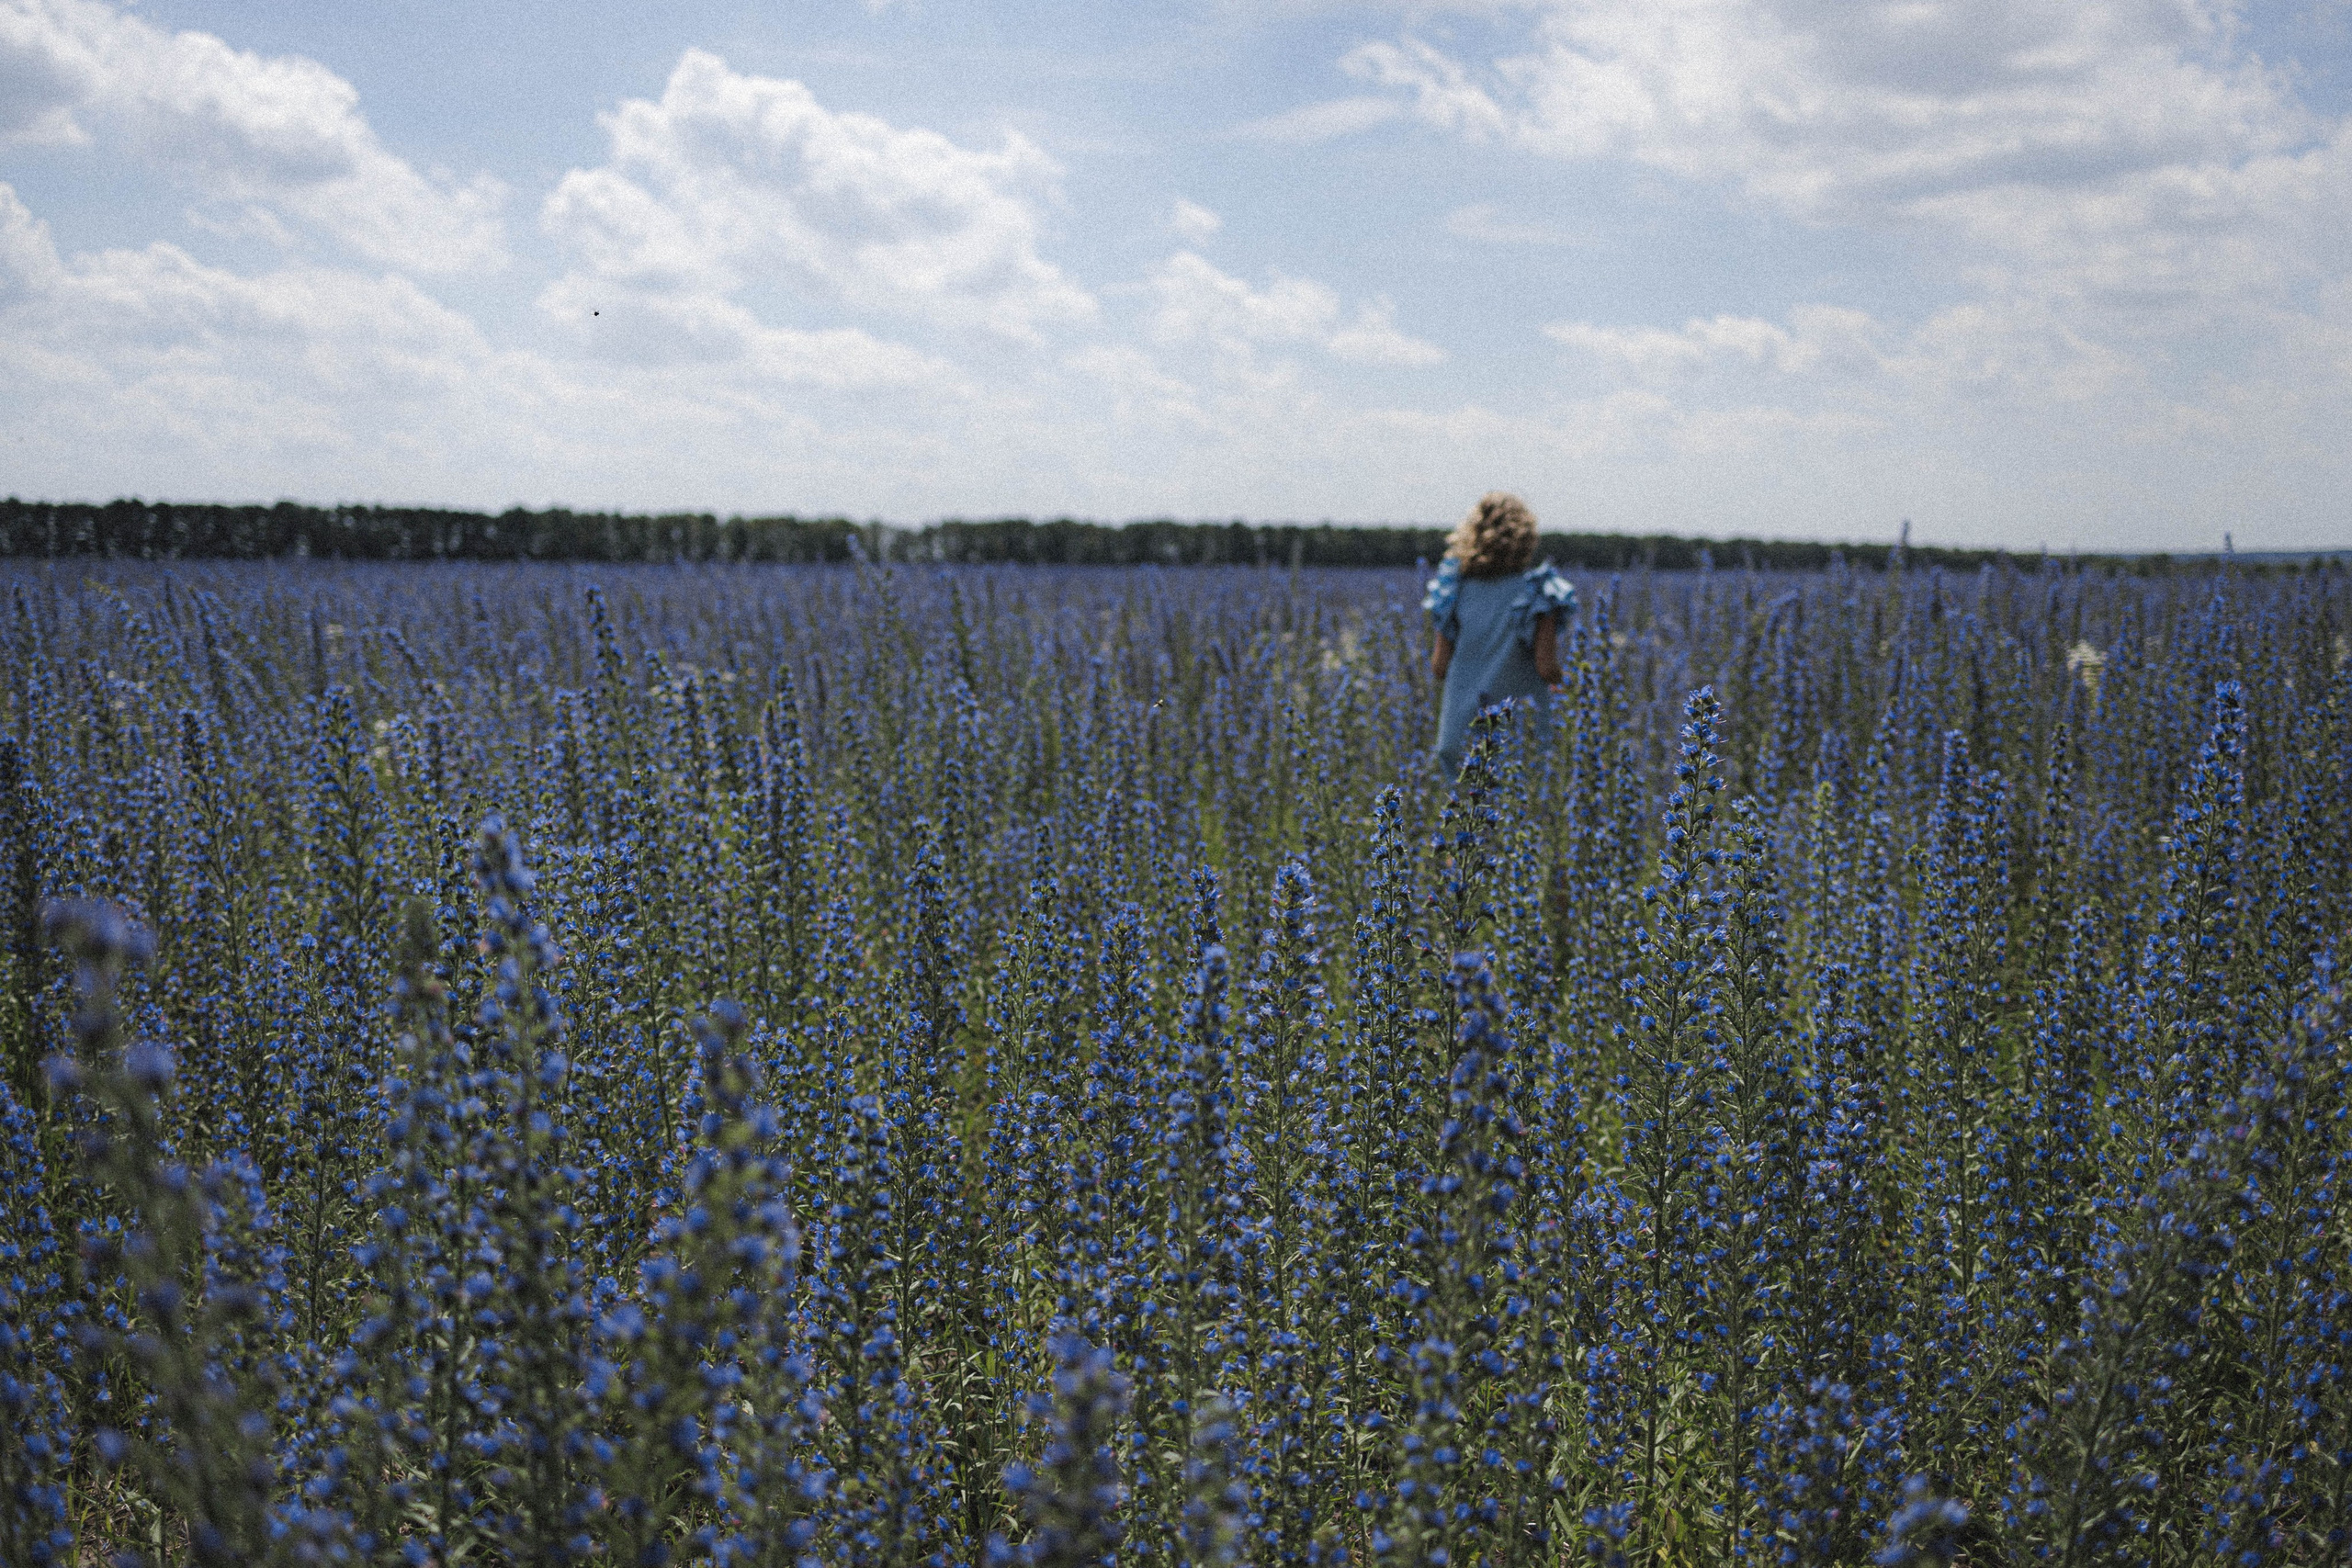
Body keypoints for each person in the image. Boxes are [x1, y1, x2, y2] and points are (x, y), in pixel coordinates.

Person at [1424, 491, 1577, 777]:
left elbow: (1439, 667)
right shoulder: (1538, 592)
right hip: (1519, 736)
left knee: (1464, 814)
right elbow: (1546, 667)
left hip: (1460, 730)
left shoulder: (1453, 590)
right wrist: (1578, 687)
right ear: (1526, 541)